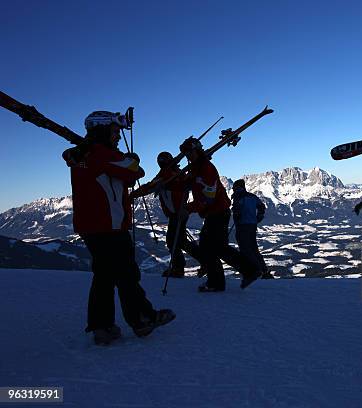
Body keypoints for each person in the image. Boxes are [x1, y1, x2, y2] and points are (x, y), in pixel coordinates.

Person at [62, 111, 175, 345]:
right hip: (109, 226)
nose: (117, 137)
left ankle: (102, 327)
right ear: (102, 131)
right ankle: (143, 319)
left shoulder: (86, 154)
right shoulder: (102, 154)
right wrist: (132, 158)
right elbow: (136, 171)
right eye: (115, 132)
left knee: (104, 276)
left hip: (91, 226)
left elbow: (120, 176)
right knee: (126, 274)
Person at [179, 137, 259, 291]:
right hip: (216, 212)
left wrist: (188, 208)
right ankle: (248, 271)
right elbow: (196, 184)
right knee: (219, 247)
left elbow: (208, 197)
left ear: (196, 151)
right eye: (186, 153)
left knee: (208, 247)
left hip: (217, 211)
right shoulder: (197, 168)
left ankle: (219, 281)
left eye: (189, 152)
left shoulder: (205, 168)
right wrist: (187, 182)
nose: (187, 156)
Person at [132, 151, 203, 278]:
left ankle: (180, 268)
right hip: (181, 211)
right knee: (180, 240)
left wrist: (132, 195)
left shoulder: (166, 174)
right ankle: (203, 261)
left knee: (172, 241)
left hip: (177, 213)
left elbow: (150, 186)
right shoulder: (177, 173)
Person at [231, 179, 271, 279]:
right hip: (252, 225)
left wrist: (236, 215)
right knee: (254, 249)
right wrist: (259, 217)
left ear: (236, 188)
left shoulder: (237, 197)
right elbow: (261, 206)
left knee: (244, 249)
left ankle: (252, 271)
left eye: (234, 188)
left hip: (242, 225)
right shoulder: (252, 196)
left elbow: (237, 210)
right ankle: (264, 271)